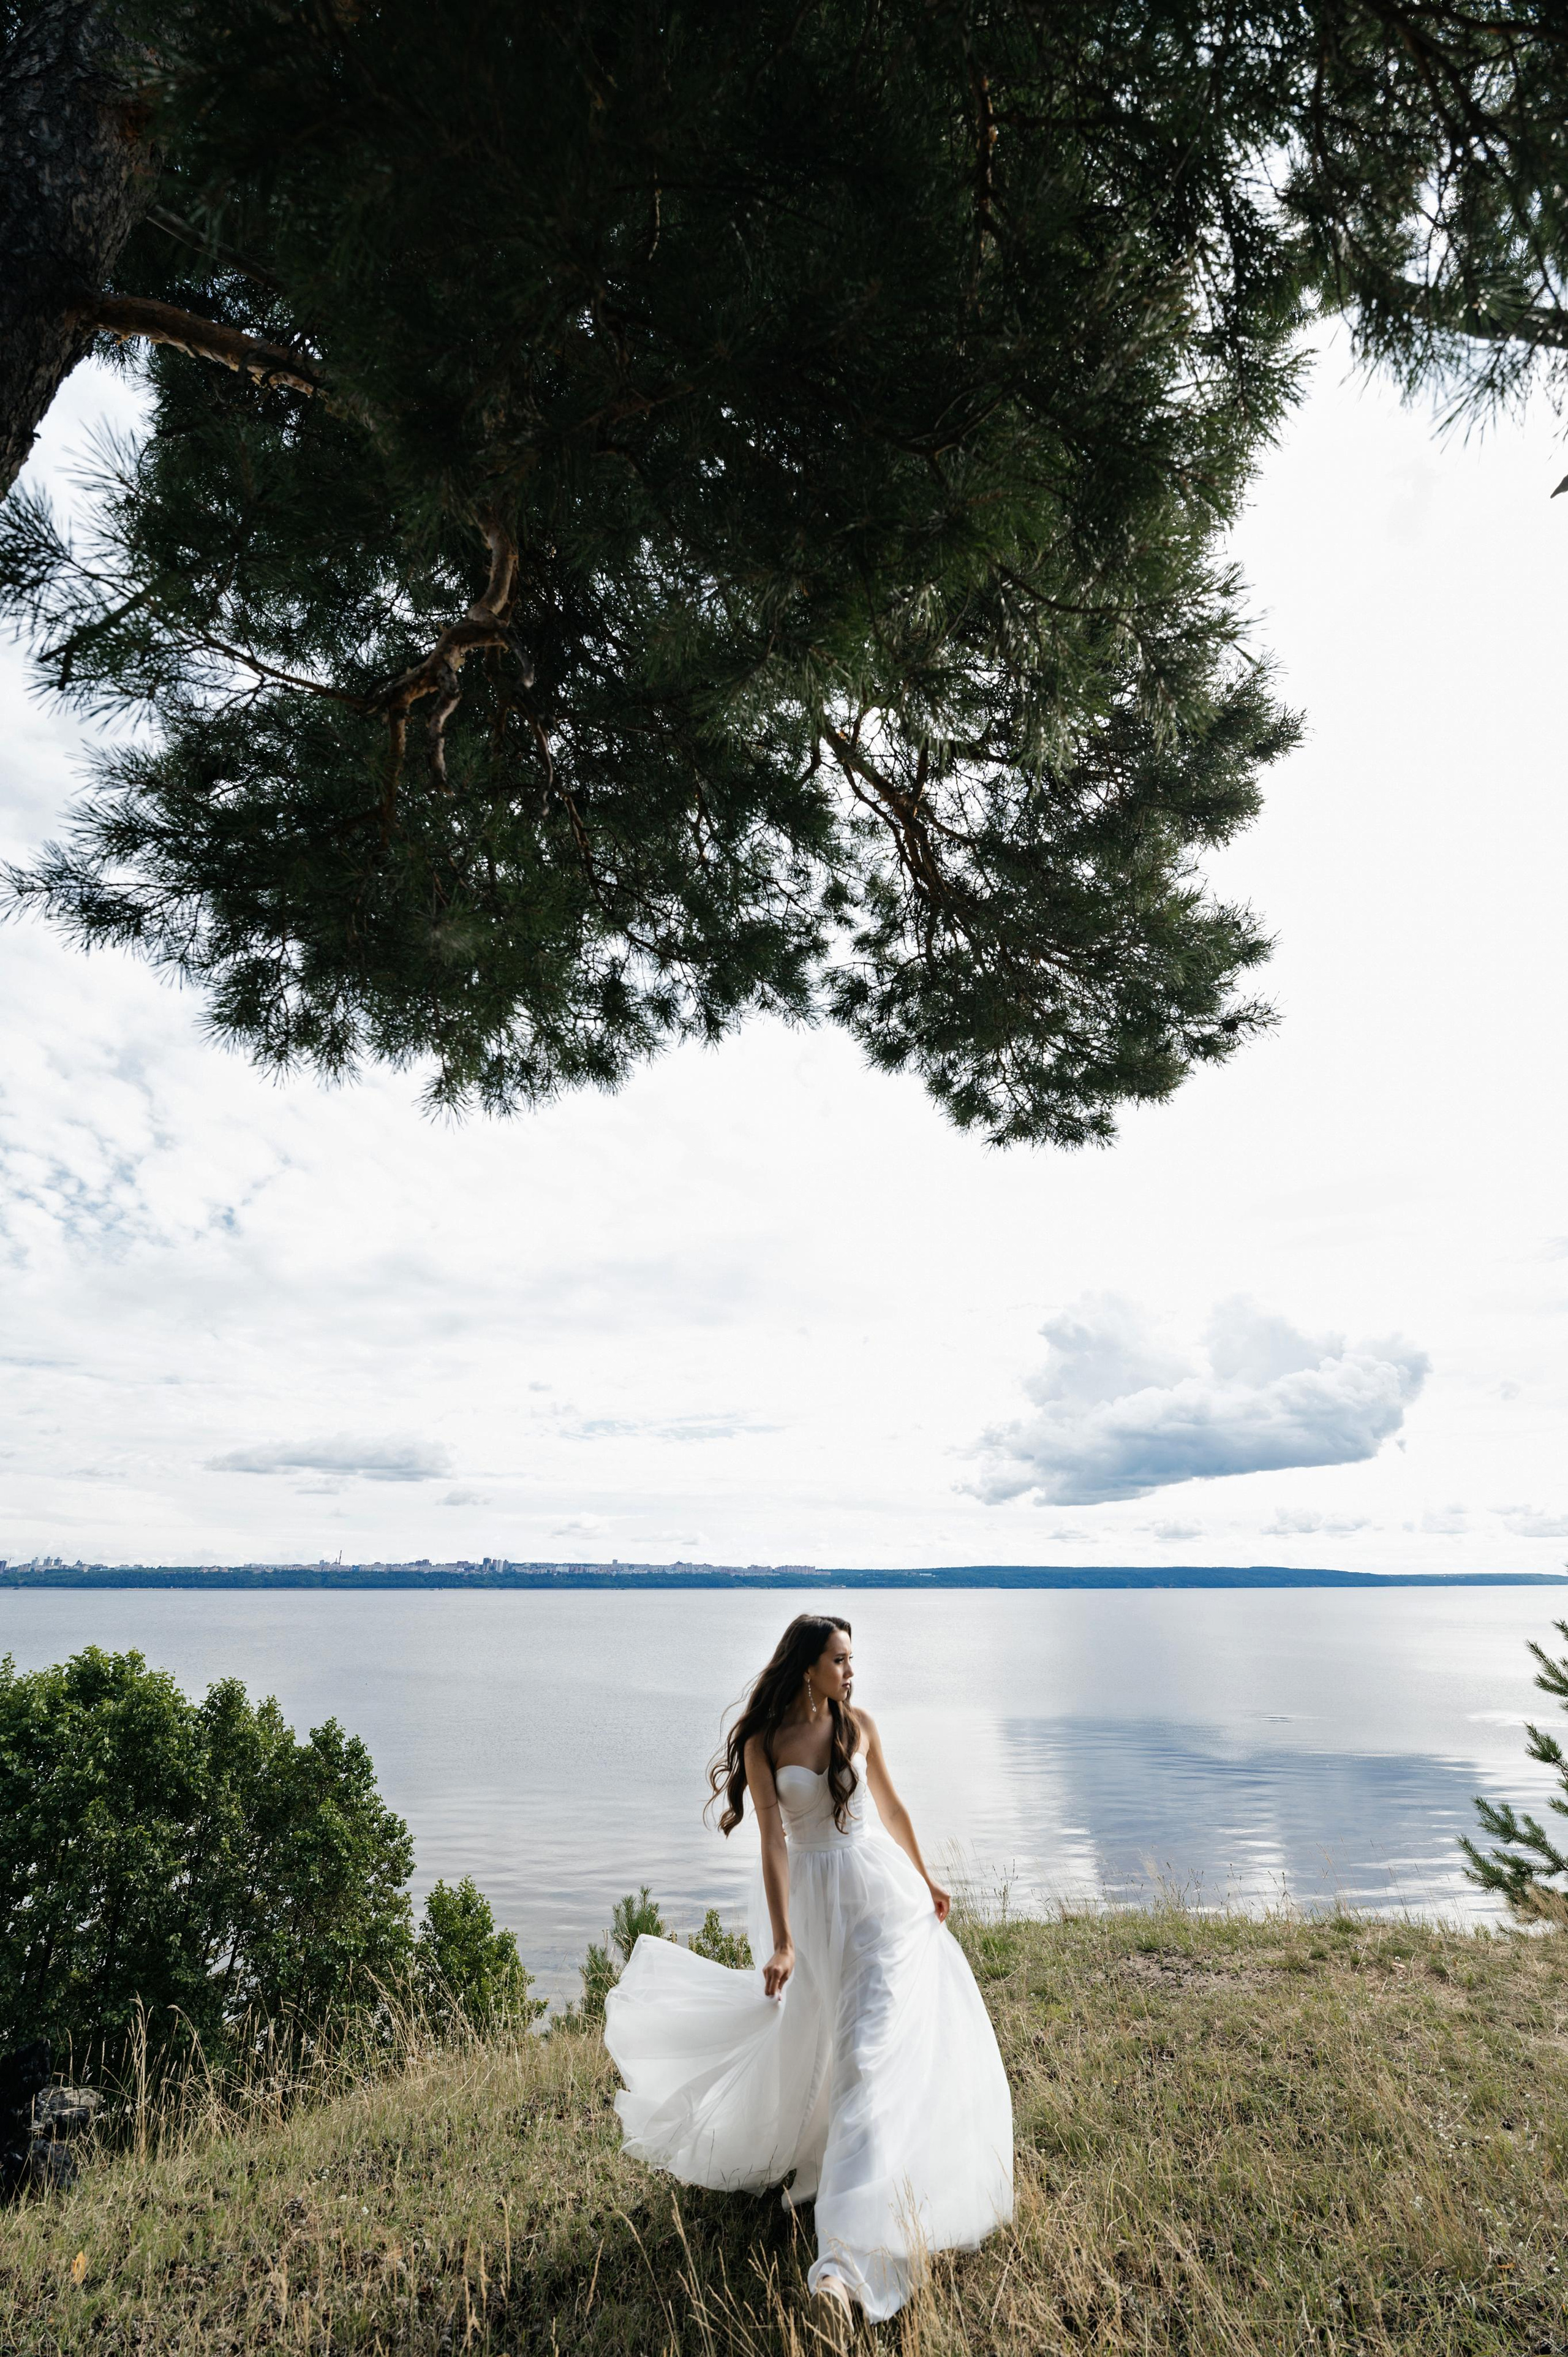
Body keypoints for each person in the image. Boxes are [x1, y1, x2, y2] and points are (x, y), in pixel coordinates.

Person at [603, 1613, 1014, 2322]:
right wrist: (785, 1941)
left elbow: (889, 1806)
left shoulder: (860, 1726)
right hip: (814, 1911)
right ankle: (850, 2190)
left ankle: (842, 2267)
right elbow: (773, 1845)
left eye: (851, 1660)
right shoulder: (764, 1744)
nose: (851, 1671)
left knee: (866, 2063)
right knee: (821, 2054)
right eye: (840, 1660)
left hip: (881, 1902)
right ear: (806, 1666)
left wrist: (929, 1877)